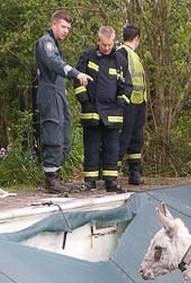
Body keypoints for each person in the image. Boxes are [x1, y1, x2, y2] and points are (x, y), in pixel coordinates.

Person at [35, 10, 93, 193]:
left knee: (65, 134)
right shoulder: (46, 43)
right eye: (63, 26)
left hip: (58, 93)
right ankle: (51, 180)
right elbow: (54, 63)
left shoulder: (56, 45)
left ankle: (56, 175)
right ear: (54, 24)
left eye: (68, 28)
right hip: (49, 93)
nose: (66, 31)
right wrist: (76, 73)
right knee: (53, 133)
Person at [73, 26, 132, 193]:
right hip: (91, 111)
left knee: (112, 148)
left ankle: (111, 182)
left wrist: (121, 101)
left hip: (113, 113)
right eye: (104, 44)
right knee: (91, 146)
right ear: (97, 41)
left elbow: (127, 85)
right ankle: (90, 181)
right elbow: (77, 80)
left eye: (110, 45)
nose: (107, 48)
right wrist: (84, 99)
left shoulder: (120, 60)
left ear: (114, 42)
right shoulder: (87, 56)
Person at [117, 24, 148, 185]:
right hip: (128, 103)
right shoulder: (122, 53)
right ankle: (112, 174)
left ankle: (134, 173)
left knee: (136, 139)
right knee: (124, 138)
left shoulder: (133, 55)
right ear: (137, 38)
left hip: (138, 102)